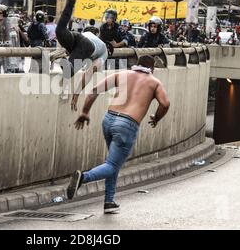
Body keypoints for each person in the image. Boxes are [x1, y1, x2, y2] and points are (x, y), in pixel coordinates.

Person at [67, 55, 170, 213]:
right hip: (127, 125)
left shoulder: (122, 75)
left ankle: (109, 201)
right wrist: (156, 118)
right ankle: (83, 177)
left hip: (108, 120)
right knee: (113, 164)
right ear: (152, 69)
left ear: (137, 64)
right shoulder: (154, 82)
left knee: (111, 162)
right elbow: (165, 104)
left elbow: (95, 90)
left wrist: (85, 112)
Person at [55, 0, 113, 111]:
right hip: (85, 46)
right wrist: (76, 93)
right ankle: (67, 66)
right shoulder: (104, 52)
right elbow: (89, 73)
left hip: (77, 37)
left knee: (60, 30)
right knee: (69, 71)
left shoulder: (93, 34)